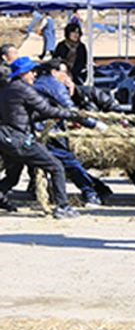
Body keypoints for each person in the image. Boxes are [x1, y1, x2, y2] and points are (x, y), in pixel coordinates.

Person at [1, 57, 100, 218]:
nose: (34, 75)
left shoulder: (7, 89)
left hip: (6, 139)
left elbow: (24, 114)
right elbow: (46, 109)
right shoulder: (24, 89)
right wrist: (74, 115)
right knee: (56, 166)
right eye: (31, 72)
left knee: (13, 176)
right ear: (23, 73)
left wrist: (46, 117)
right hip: (20, 139)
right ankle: (63, 206)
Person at [32, 60, 110, 206]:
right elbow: (71, 110)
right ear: (55, 72)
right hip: (46, 132)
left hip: (37, 129)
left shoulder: (39, 82)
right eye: (64, 72)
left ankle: (96, 189)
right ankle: (91, 192)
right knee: (67, 162)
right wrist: (95, 124)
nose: (66, 76)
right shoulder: (54, 85)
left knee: (63, 163)